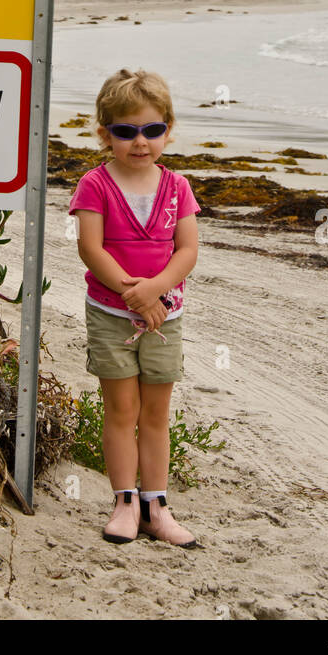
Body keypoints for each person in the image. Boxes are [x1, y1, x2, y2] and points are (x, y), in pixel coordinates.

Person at [68, 67, 201, 547]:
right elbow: (91, 249)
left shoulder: (178, 187)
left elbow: (186, 250)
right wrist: (135, 294)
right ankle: (125, 501)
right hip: (111, 313)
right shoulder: (95, 185)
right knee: (121, 410)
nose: (140, 141)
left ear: (168, 128)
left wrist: (156, 290)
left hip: (167, 316)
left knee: (156, 415)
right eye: (125, 131)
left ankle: (156, 506)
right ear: (105, 133)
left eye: (152, 129)